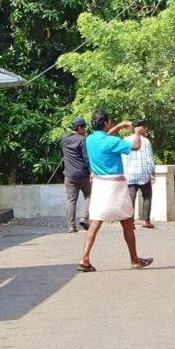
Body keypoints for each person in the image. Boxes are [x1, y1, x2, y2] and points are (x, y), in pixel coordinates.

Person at [77, 108, 153, 272]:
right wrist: (137, 132)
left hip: (99, 184)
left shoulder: (89, 140)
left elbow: (106, 135)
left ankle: (84, 257)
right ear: (105, 123)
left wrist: (120, 126)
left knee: (95, 222)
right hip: (116, 185)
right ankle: (134, 259)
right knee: (126, 221)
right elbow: (136, 146)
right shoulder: (112, 142)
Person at [122, 119, 155, 229]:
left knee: (131, 198)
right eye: (144, 127)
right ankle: (146, 220)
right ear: (141, 128)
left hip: (129, 174)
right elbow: (149, 158)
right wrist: (152, 172)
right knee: (147, 196)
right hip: (143, 174)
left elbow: (122, 158)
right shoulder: (145, 141)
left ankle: (130, 222)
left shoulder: (125, 140)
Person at [61, 117, 92, 233]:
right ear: (79, 128)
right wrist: (91, 171)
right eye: (84, 128)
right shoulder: (83, 139)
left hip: (69, 175)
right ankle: (84, 217)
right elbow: (86, 157)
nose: (85, 130)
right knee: (89, 195)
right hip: (83, 174)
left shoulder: (64, 138)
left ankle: (71, 226)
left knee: (71, 200)